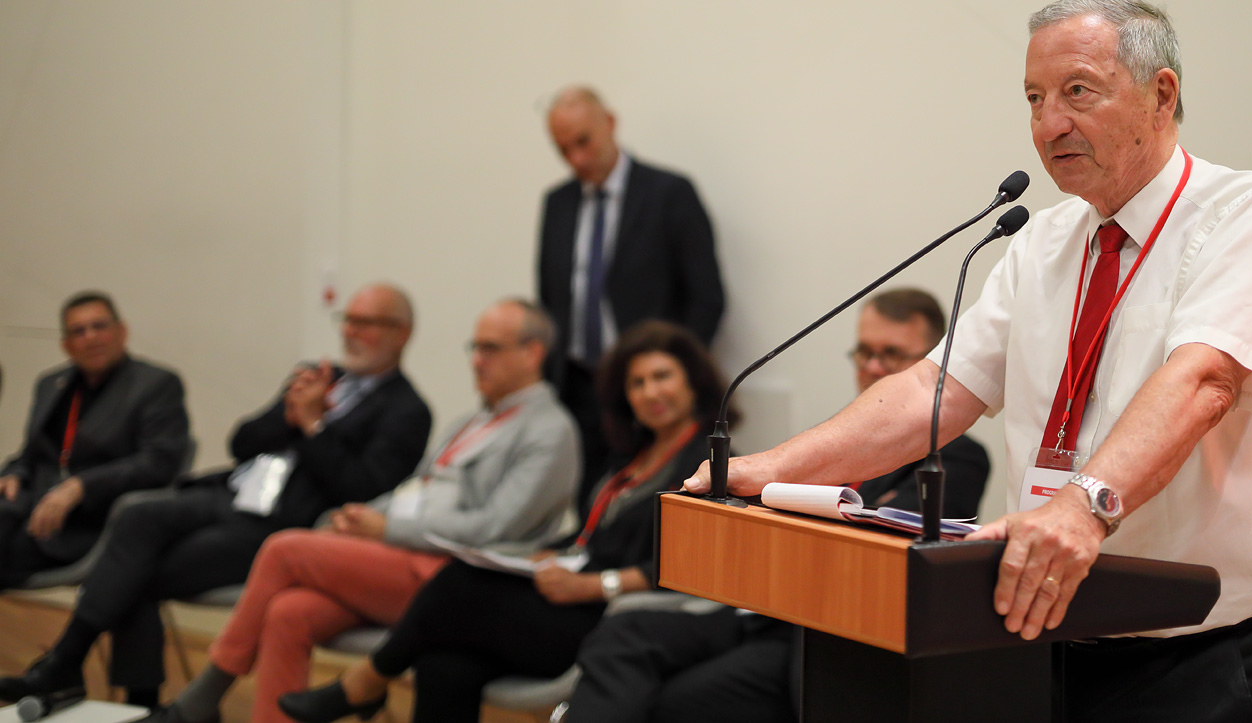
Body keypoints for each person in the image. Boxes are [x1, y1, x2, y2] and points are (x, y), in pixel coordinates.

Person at [686, 0, 1252, 723]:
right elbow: (935, 389)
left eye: (1077, 91)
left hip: (1201, 648)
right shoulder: (1042, 240)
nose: (1049, 125)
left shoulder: (1246, 212)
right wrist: (772, 469)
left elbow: (1202, 379)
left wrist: (1081, 507)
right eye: (1034, 99)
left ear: (1161, 94)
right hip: (1045, 631)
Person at [557, 288, 992, 723]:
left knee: (678, 699)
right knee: (624, 635)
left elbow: (882, 545)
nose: (873, 367)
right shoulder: (838, 445)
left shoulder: (957, 456)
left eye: (891, 354)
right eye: (865, 353)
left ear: (935, 360)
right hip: (754, 610)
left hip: (823, 629)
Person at [0, 284, 433, 710]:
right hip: (231, 495)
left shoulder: (407, 410)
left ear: (401, 333)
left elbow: (360, 488)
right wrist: (290, 414)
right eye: (348, 320)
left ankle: (117, 688)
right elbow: (242, 442)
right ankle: (92, 676)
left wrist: (314, 426)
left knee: (136, 569)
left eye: (366, 323)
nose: (351, 332)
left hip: (283, 526)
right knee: (138, 517)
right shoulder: (320, 377)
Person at [148, 299, 580, 723]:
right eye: (475, 348)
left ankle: (201, 699)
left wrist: (387, 528)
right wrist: (352, 518)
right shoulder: (473, 420)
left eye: (490, 349)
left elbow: (493, 527)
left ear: (532, 353)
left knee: (284, 549)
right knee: (289, 612)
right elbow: (414, 490)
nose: (477, 361)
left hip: (454, 582)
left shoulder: (549, 431)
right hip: (400, 559)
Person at [277, 320, 732, 723]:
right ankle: (365, 685)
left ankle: (365, 682)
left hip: (611, 621)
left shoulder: (711, 464)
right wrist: (550, 553)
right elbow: (595, 536)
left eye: (662, 377)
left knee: (458, 583)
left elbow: (693, 570)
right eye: (637, 383)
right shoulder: (628, 459)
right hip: (569, 596)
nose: (650, 393)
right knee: (444, 664)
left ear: (693, 381)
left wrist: (596, 585)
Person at [536, 86, 725, 497]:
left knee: (648, 501)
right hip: (579, 385)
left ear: (609, 123)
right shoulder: (558, 203)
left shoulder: (668, 194)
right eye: (563, 149)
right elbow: (551, 298)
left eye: (583, 142)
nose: (576, 159)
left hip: (650, 391)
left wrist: (678, 373)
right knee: (591, 497)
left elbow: (706, 297)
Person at [0, 292, 188, 588]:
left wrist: (81, 486)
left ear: (122, 331)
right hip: (29, 503)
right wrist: (14, 473)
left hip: (89, 519)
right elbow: (33, 452)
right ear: (66, 345)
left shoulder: (156, 384)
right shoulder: (51, 384)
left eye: (99, 326)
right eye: (78, 331)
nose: (90, 338)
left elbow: (159, 462)